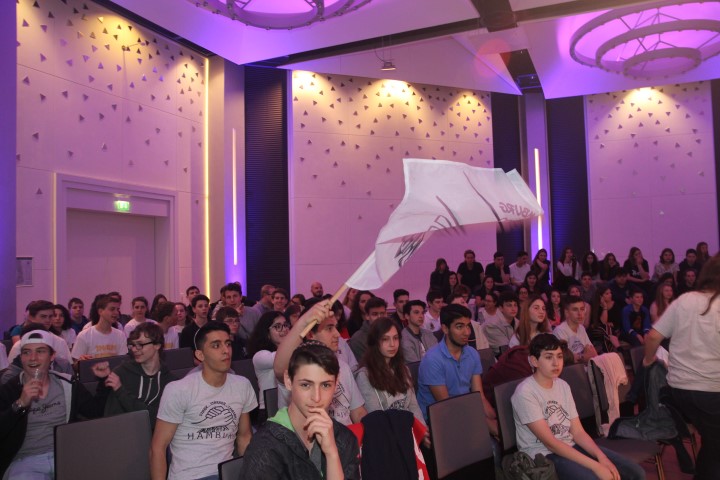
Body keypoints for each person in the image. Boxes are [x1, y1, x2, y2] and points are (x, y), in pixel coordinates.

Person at [512, 333, 645, 480]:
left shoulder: (562, 385)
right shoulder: (525, 393)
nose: (556, 363)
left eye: (559, 356)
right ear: (534, 361)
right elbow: (551, 444)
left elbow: (578, 432)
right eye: (549, 357)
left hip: (569, 445)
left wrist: (602, 458)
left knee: (635, 473)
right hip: (543, 456)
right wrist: (596, 466)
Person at [643, 253, 720, 480]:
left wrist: (648, 360)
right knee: (715, 446)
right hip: (710, 390)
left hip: (679, 391)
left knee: (713, 443)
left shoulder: (685, 300)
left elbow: (653, 336)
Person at [150, 322, 257, 480]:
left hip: (227, 473)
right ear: (200, 355)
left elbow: (244, 437)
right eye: (216, 345)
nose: (226, 350)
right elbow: (158, 448)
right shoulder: (179, 390)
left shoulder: (242, 385)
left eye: (228, 344)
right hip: (190, 476)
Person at [0, 330, 111, 479]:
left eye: (40, 351)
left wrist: (103, 382)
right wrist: (20, 404)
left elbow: (95, 412)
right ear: (21, 357)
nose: (33, 358)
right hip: (26, 461)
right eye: (26, 352)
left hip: (66, 456)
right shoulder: (10, 389)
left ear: (52, 356)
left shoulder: (68, 385)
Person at [240, 343, 360, 479]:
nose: (316, 397)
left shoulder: (344, 438)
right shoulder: (266, 446)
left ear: (336, 383)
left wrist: (332, 454)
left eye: (326, 385)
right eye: (306, 385)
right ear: (288, 381)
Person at [273, 300, 367, 426]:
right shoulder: (299, 368)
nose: (337, 334)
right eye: (329, 328)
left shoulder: (342, 366)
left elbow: (358, 412)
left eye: (336, 327)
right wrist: (304, 321)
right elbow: (279, 368)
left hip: (345, 436)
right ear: (310, 334)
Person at [416, 304, 497, 433]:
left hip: (465, 409)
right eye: (459, 327)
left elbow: (479, 396)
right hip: (438, 418)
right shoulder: (432, 359)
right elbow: (447, 405)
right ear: (445, 329)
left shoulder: (472, 353)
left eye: (468, 326)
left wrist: (495, 419)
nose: (467, 332)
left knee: (499, 426)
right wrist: (487, 423)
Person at [104, 322, 177, 429]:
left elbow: (155, 419)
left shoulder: (170, 382)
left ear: (157, 345)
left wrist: (121, 391)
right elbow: (111, 416)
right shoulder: (122, 373)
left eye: (140, 344)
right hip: (122, 433)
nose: (134, 349)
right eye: (133, 345)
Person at [355, 317, 426, 425]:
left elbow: (413, 406)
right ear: (375, 342)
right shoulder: (364, 376)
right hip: (387, 431)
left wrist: (422, 428)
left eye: (395, 338)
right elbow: (375, 416)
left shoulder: (404, 369)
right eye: (385, 339)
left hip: (408, 428)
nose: (392, 344)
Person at [247, 312, 289, 416]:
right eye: (277, 326)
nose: (284, 329)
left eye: (285, 325)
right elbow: (283, 357)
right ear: (267, 333)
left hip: (289, 406)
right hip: (269, 410)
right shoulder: (260, 356)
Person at [71, 295, 128, 362]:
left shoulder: (120, 335)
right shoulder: (84, 335)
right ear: (100, 311)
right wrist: (81, 361)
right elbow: (75, 363)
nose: (116, 313)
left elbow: (122, 361)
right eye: (112, 309)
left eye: (117, 309)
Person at [553, 295, 597, 364]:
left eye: (582, 309)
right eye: (575, 310)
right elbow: (566, 359)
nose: (580, 313)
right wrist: (584, 357)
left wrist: (581, 357)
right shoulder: (560, 331)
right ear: (567, 313)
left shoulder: (581, 328)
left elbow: (593, 353)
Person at [349, 297, 387, 361]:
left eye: (382, 313)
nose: (379, 317)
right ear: (367, 316)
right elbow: (367, 364)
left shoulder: (392, 332)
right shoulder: (358, 339)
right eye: (375, 314)